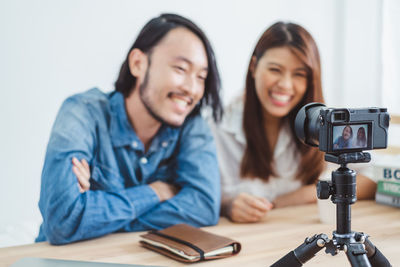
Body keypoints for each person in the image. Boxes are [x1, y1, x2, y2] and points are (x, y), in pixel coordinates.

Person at [36, 13, 223, 245]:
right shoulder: (81, 112)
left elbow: (203, 207)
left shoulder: (192, 126)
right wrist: (155, 193)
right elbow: (62, 220)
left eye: (201, 77)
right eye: (181, 69)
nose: (192, 89)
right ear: (138, 64)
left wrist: (96, 215)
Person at [209, 22, 376, 223]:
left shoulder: (319, 123)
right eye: (275, 70)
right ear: (254, 67)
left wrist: (300, 196)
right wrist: (227, 206)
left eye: (299, 74)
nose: (285, 85)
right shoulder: (217, 126)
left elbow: (373, 179)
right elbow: (195, 195)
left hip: (302, 237)